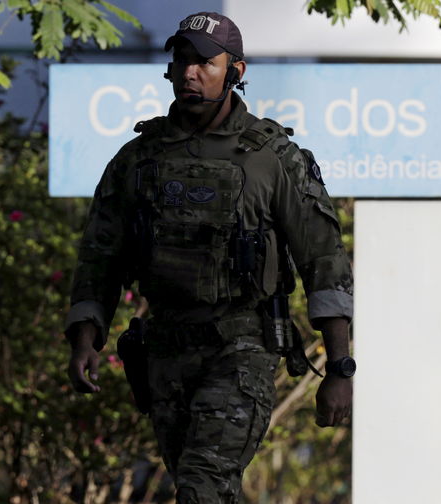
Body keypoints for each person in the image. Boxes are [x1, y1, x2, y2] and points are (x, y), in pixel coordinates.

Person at [64, 11, 355, 503]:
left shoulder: (274, 158)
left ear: (235, 72)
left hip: (241, 348)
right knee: (202, 489)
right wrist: (85, 339)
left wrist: (341, 369)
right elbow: (100, 255)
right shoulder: (139, 159)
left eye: (205, 61)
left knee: (202, 487)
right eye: (182, 60)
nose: (191, 72)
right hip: (164, 353)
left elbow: (323, 260)